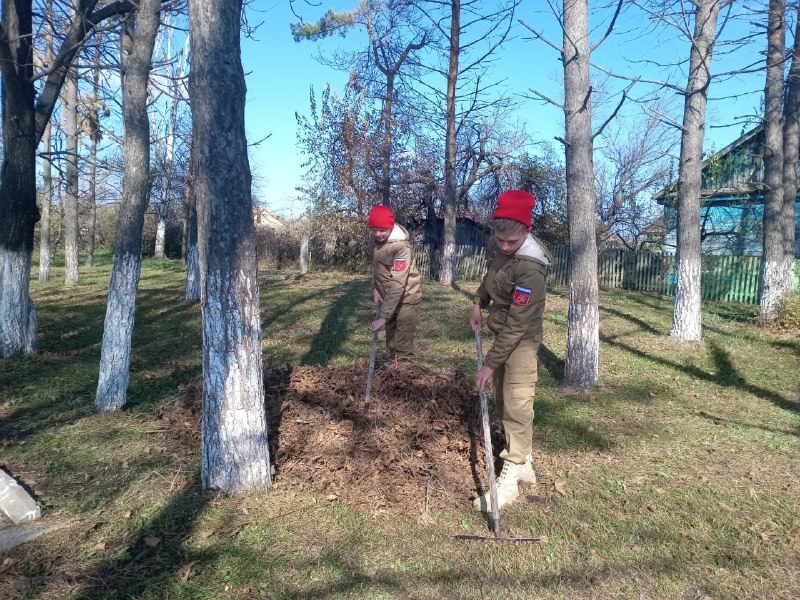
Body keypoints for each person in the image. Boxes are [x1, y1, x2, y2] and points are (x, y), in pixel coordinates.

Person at [469, 189, 552, 511]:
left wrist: (488, 365)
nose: (503, 246)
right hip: (502, 332)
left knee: (516, 404)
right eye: (499, 239)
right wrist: (478, 302)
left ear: (526, 231)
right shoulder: (498, 244)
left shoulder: (531, 268)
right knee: (503, 399)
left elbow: (518, 325)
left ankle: (510, 479)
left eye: (511, 242)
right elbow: (491, 277)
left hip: (521, 340)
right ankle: (525, 462)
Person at [368, 205, 422, 360]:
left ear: (390, 227)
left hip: (406, 298)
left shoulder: (401, 247)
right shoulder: (380, 243)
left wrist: (384, 317)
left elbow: (398, 281)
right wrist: (376, 288)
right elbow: (378, 269)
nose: (378, 234)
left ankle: (404, 379)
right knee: (391, 343)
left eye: (382, 230)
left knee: (403, 346)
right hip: (389, 299)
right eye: (374, 230)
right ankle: (392, 376)